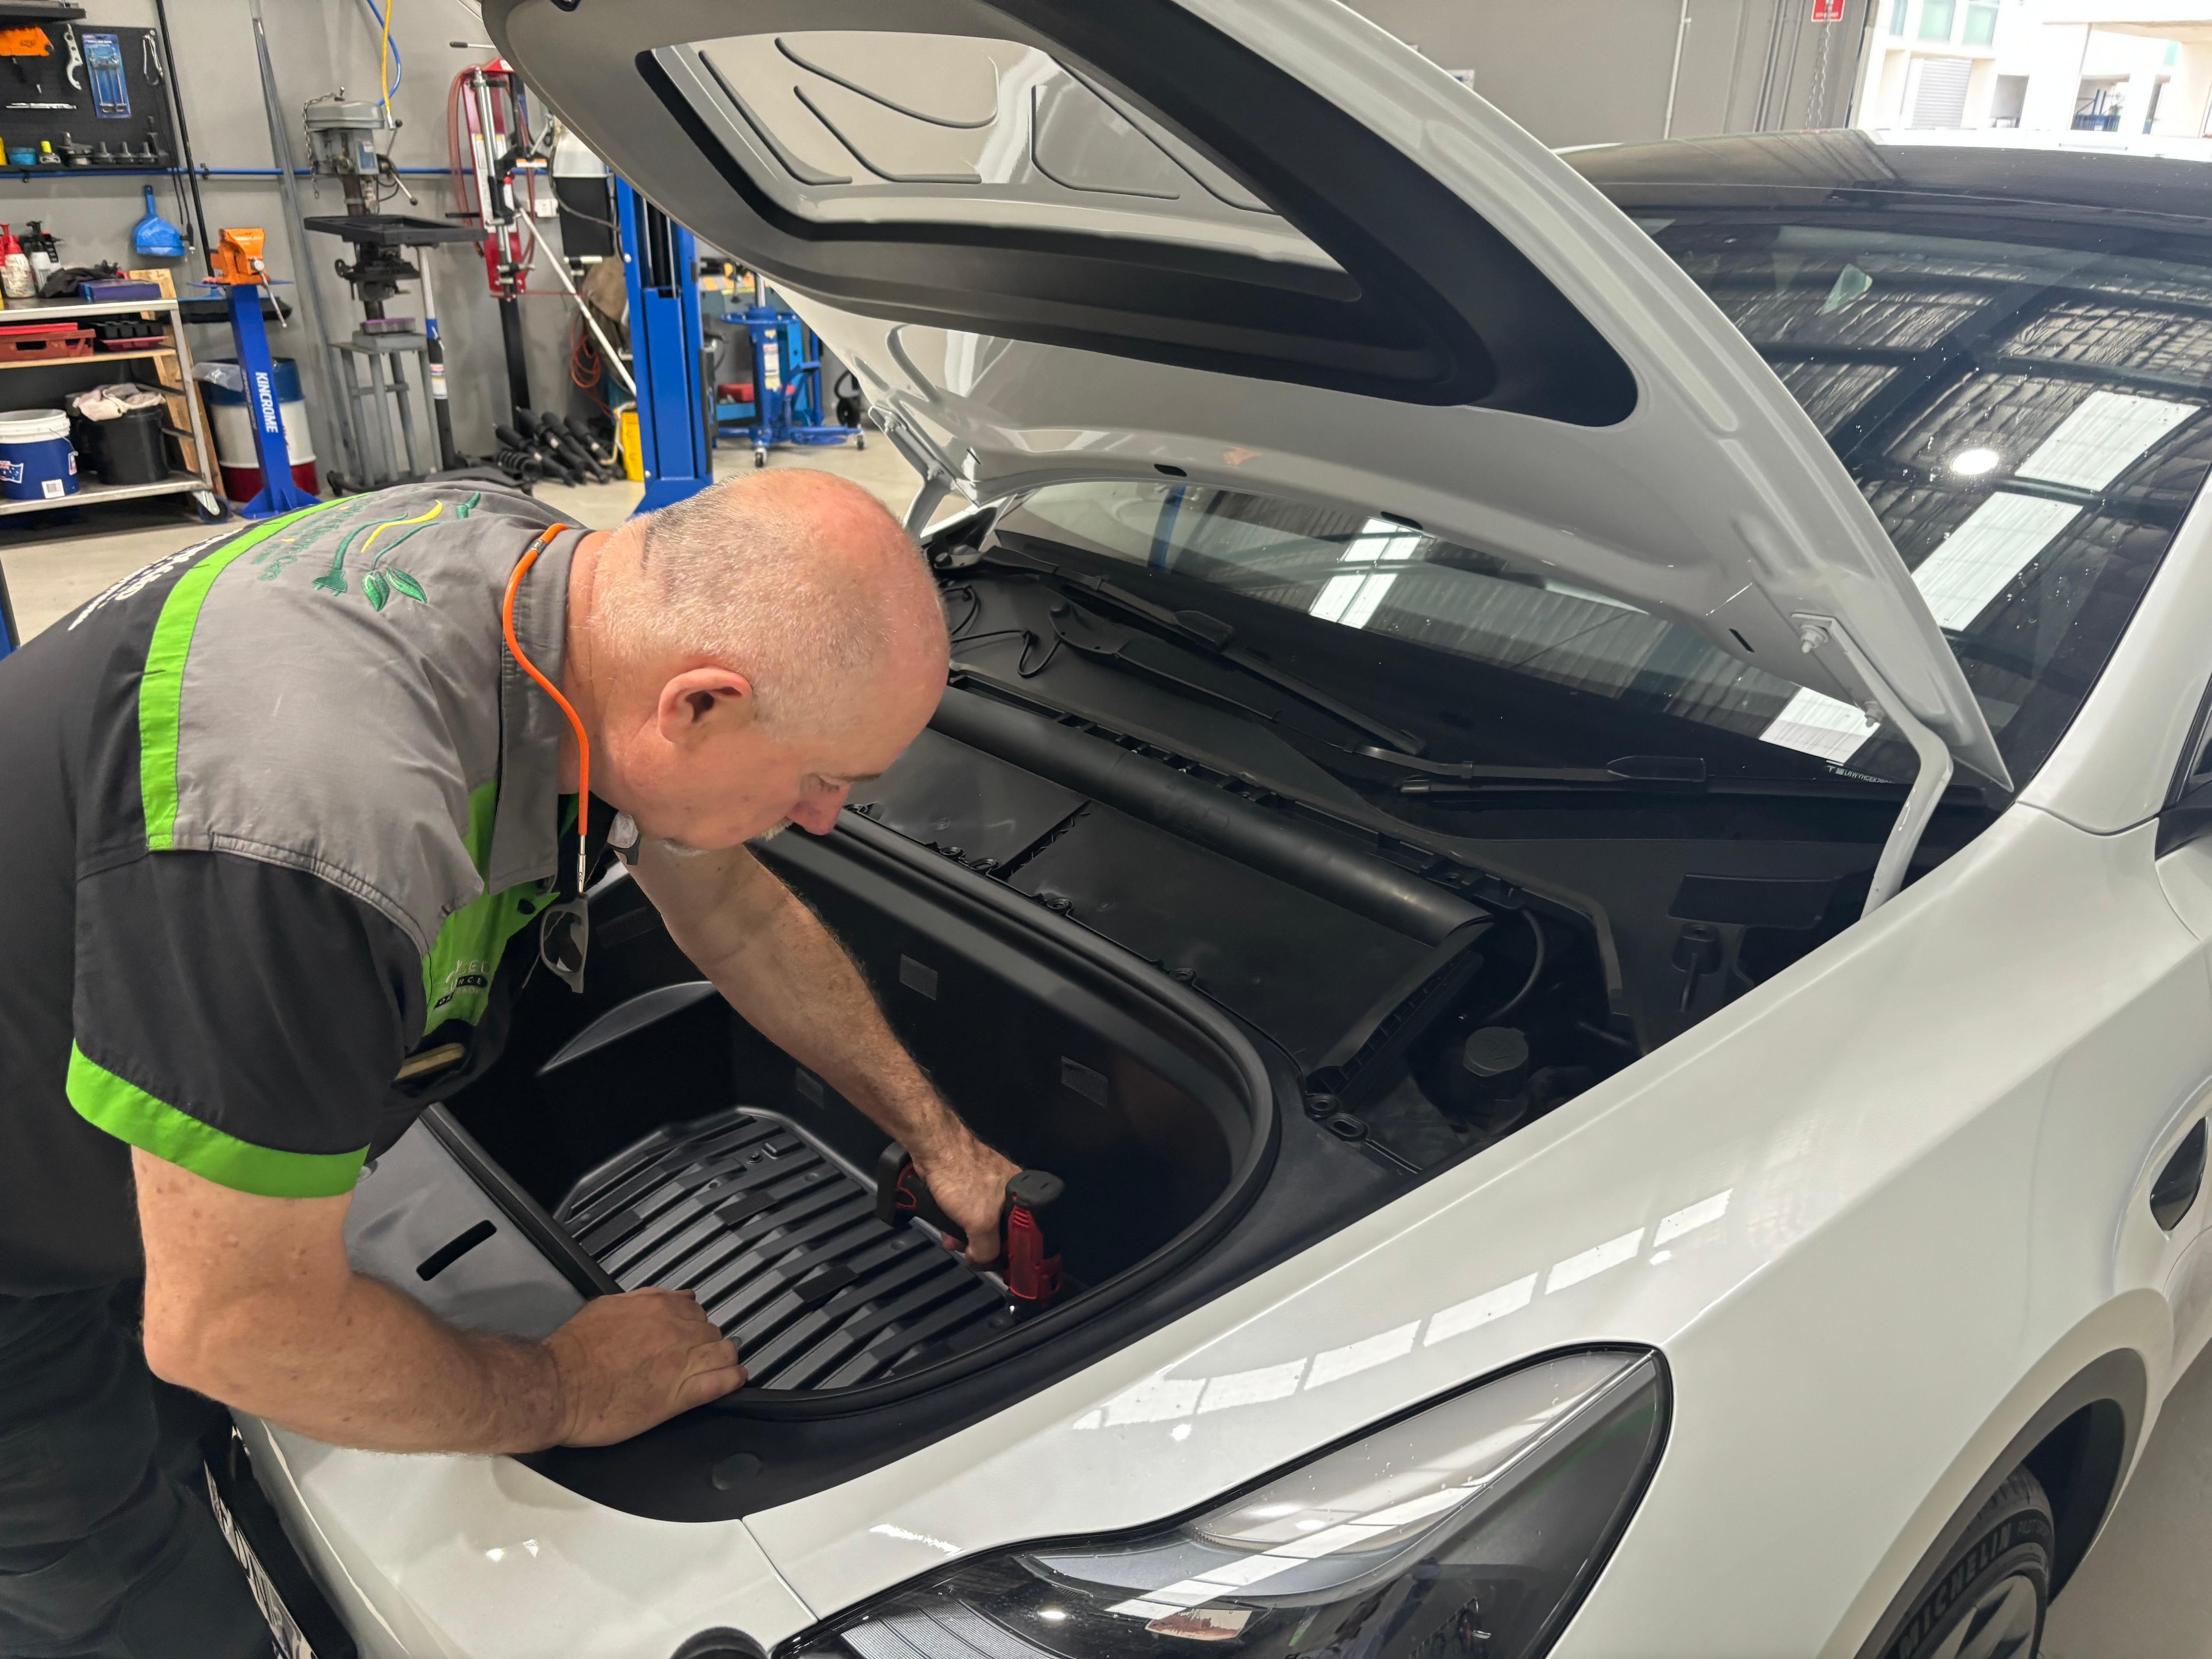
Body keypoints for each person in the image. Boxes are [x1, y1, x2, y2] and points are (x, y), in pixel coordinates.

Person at [0, 471, 1019, 1658]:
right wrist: (561, 1389)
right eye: (821, 778)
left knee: (182, 1449)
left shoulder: (550, 582)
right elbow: (233, 1327)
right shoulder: (316, 827)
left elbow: (725, 904)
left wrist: (940, 1138)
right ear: (696, 707)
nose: (828, 817)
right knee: (127, 1612)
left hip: (89, 1113)